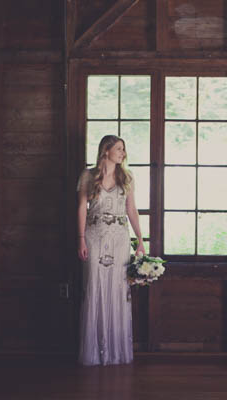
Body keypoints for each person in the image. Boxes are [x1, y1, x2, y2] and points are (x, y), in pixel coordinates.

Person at [77, 135, 145, 366]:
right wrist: (81, 240)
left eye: (123, 149)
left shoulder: (126, 177)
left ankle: (116, 350)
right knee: (94, 286)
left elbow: (132, 210)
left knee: (118, 288)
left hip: (120, 238)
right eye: (119, 149)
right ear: (105, 151)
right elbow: (81, 209)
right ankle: (95, 350)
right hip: (94, 235)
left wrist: (140, 240)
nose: (123, 153)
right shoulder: (88, 176)